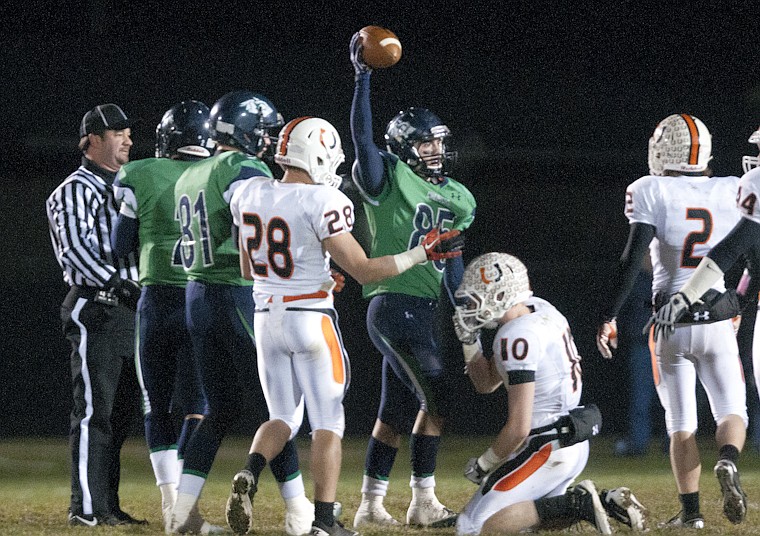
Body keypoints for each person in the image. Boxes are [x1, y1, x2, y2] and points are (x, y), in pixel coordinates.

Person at [225, 116, 463, 536]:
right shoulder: (323, 201)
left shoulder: (249, 191)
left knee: (281, 416)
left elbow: (248, 266)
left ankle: (249, 471)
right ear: (317, 155)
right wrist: (419, 256)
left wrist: (315, 275)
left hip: (266, 320)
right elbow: (366, 270)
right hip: (311, 322)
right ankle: (323, 522)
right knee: (328, 425)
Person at [348, 32, 477, 529]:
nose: (437, 149)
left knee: (394, 414)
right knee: (440, 397)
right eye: (427, 141)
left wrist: (465, 315)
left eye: (440, 140)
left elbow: (453, 265)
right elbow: (362, 138)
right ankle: (423, 500)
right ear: (404, 146)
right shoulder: (386, 179)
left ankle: (369, 505)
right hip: (391, 302)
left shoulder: (460, 197)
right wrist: (363, 78)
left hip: (425, 310)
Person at [168, 91, 310, 535]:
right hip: (237, 291)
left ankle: (178, 515)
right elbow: (254, 217)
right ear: (243, 132)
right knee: (279, 406)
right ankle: (298, 510)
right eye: (264, 132)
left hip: (197, 293)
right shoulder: (240, 168)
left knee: (222, 408)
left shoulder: (192, 172)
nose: (268, 142)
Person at [597, 114, 748, 528]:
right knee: (732, 411)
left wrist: (608, 314)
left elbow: (632, 259)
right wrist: (738, 301)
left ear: (663, 150)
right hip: (718, 317)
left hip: (669, 321)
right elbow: (745, 249)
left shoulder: (649, 188)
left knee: (680, 425)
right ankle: (728, 461)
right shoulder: (732, 187)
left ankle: (692, 514)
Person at [451, 252, 648, 535]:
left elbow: (518, 428)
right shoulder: (537, 310)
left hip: (545, 447)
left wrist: (485, 464)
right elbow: (486, 383)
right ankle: (602, 503)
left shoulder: (516, 337)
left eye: (478, 296)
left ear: (501, 294)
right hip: (569, 440)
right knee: (526, 520)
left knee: (471, 526)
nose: (471, 305)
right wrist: (469, 342)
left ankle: (580, 503)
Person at [110, 101, 222, 533]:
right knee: (198, 408)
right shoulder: (220, 174)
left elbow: (121, 246)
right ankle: (184, 510)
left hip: (156, 300)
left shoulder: (139, 174)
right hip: (202, 297)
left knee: (155, 406)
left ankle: (170, 504)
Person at [46, 103, 146, 527]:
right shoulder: (75, 189)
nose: (126, 139)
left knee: (121, 414)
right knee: (94, 411)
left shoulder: (129, 184)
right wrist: (117, 280)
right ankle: (85, 507)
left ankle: (107, 504)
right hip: (97, 306)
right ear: (92, 140)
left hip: (129, 311)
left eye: (127, 132)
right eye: (116, 132)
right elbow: (73, 251)